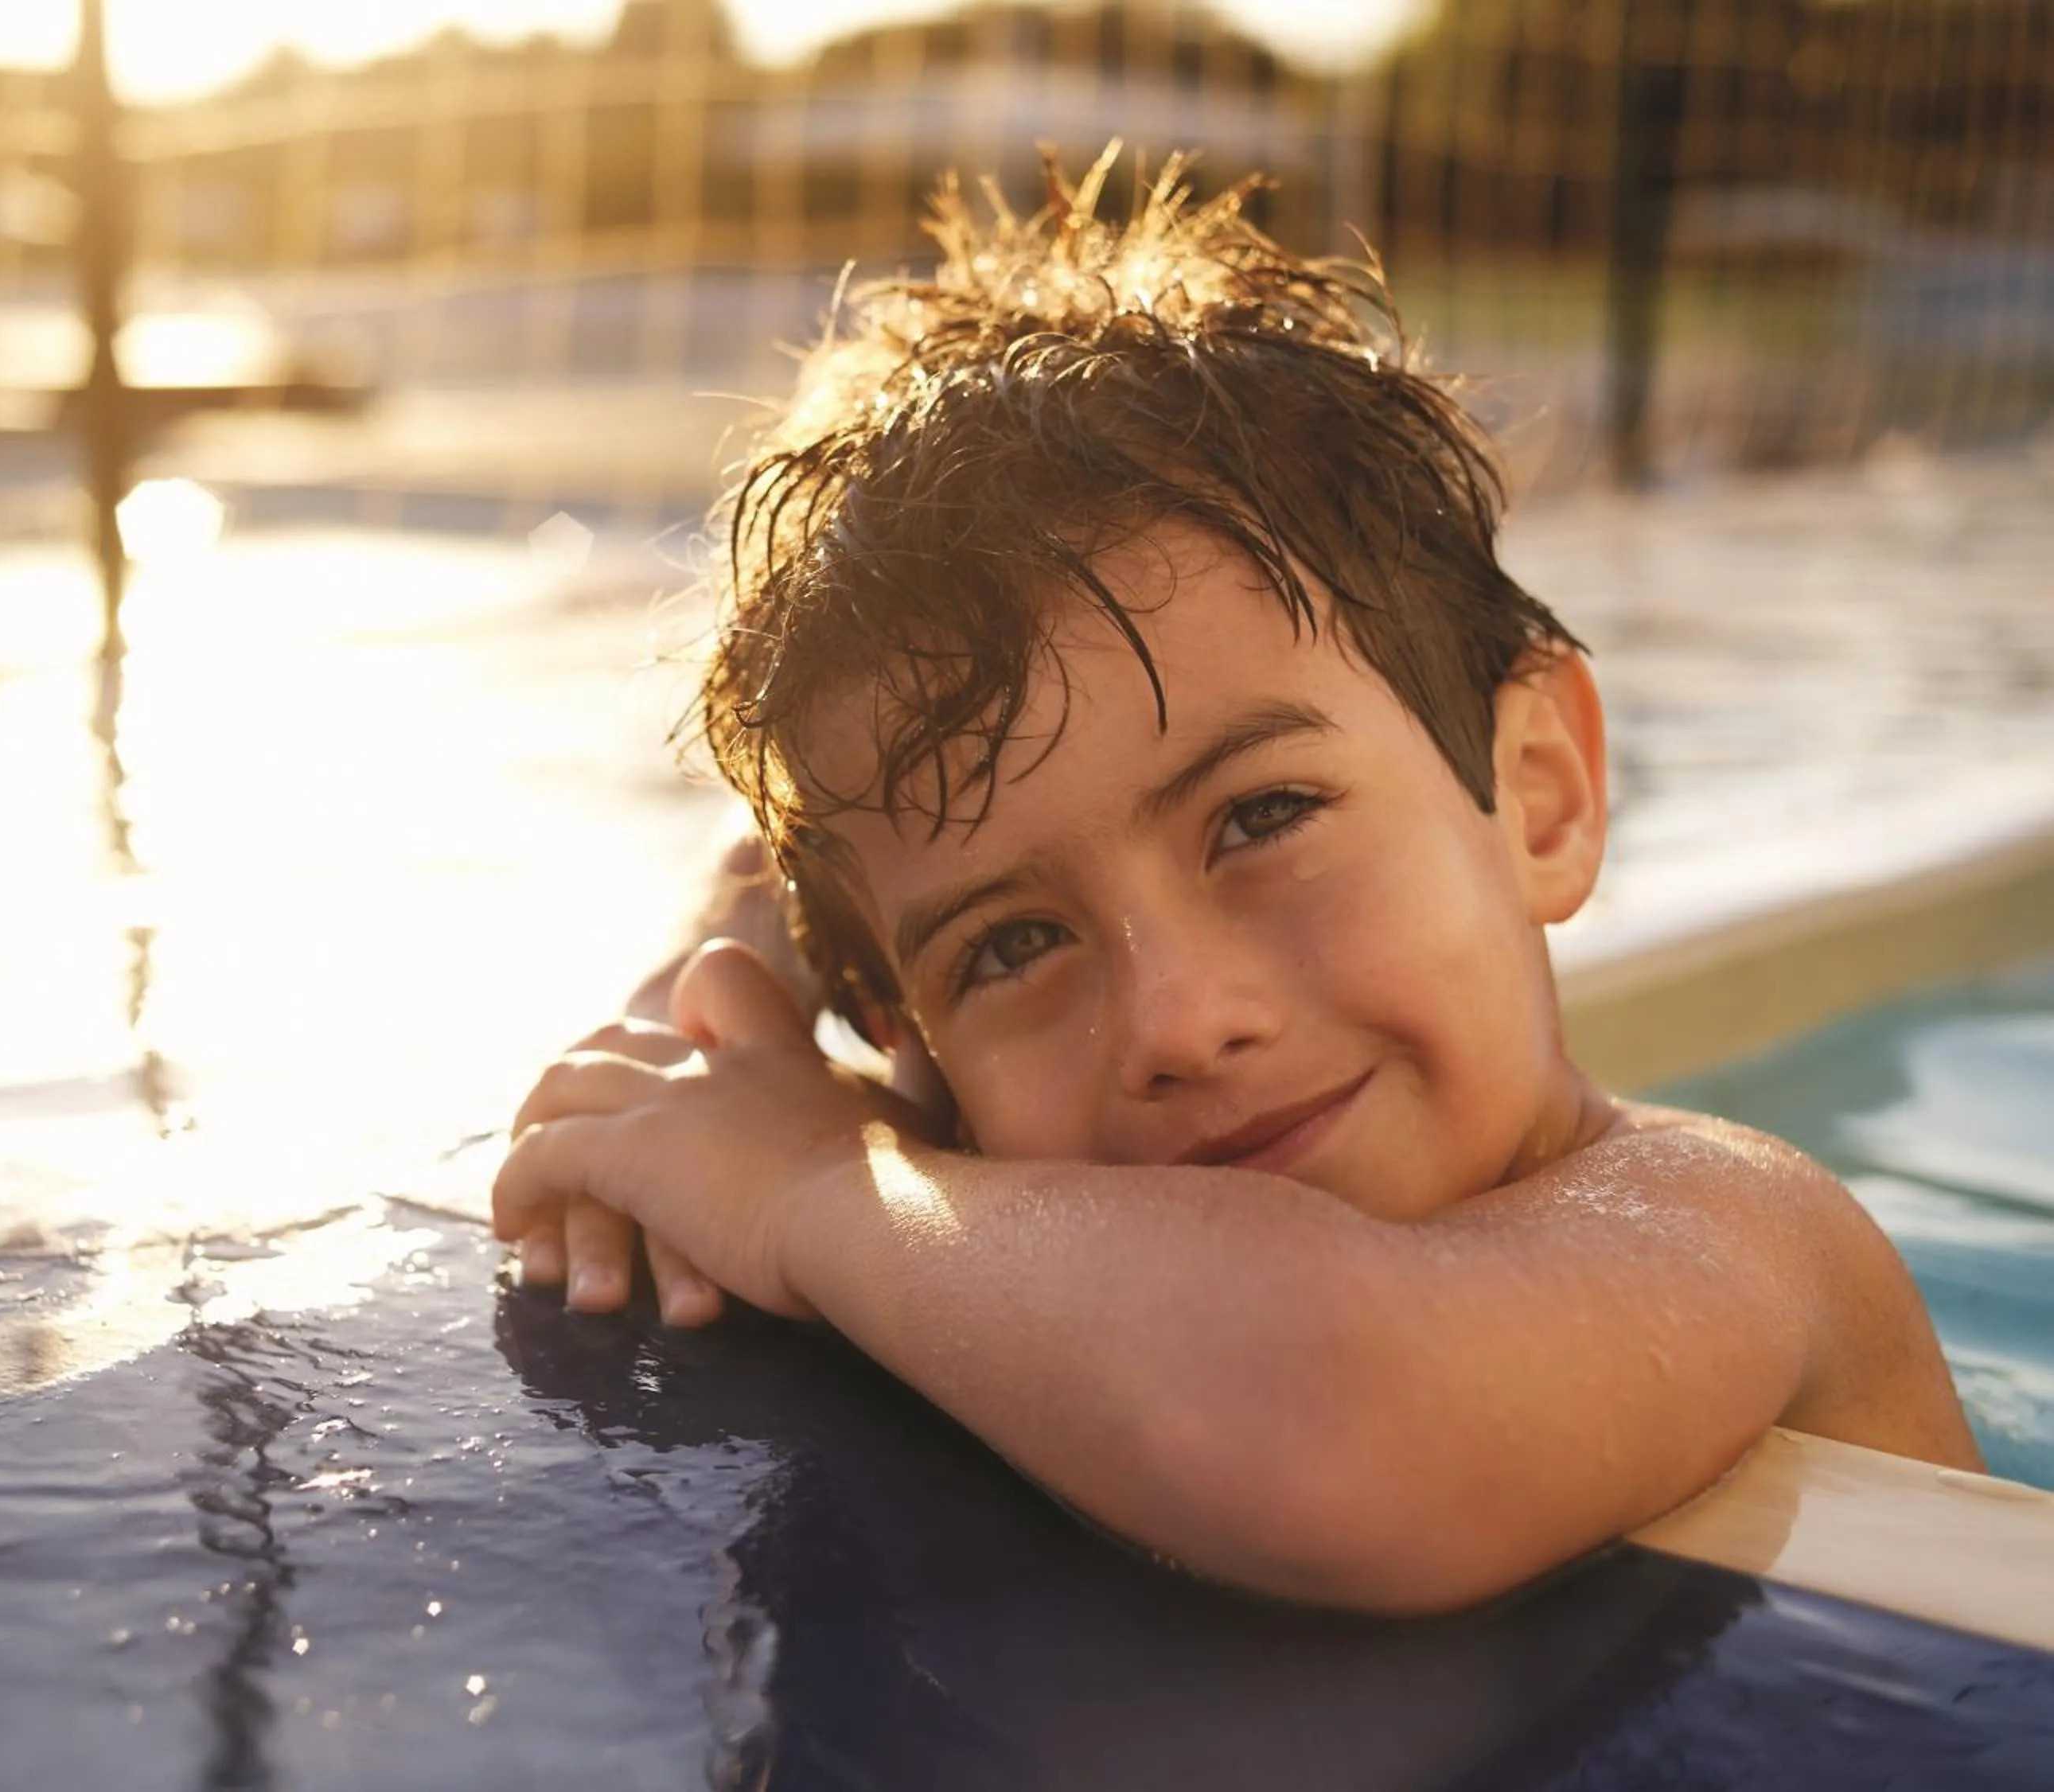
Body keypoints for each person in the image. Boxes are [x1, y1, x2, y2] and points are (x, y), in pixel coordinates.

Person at [493, 150, 1982, 1614]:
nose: (1181, 1019)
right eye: (1013, 949)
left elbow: (1334, 1429)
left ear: (1539, 797)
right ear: (912, 1049)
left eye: (1262, 816)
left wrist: (813, 1184)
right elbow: (789, 889)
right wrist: (718, 988)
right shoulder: (1029, 1256)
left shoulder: (1741, 1233)